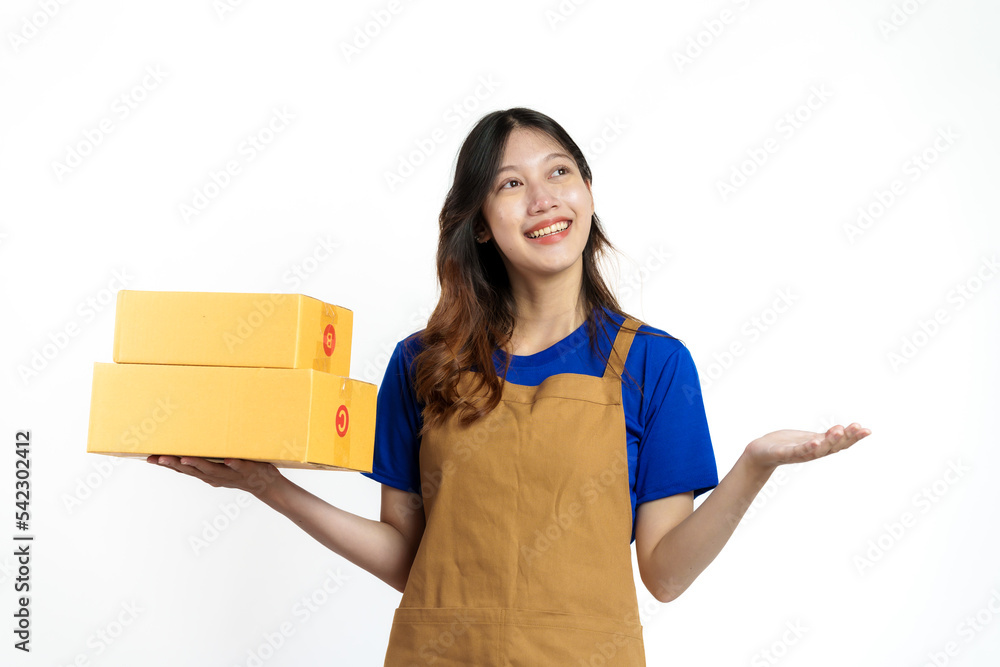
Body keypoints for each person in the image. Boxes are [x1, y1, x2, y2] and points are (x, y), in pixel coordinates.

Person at [149, 107, 871, 665]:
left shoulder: (655, 364)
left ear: (589, 191)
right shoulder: (422, 364)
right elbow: (409, 559)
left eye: (560, 173)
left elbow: (664, 573)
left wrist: (753, 467)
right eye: (511, 184)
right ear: (483, 225)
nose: (543, 199)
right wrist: (266, 485)